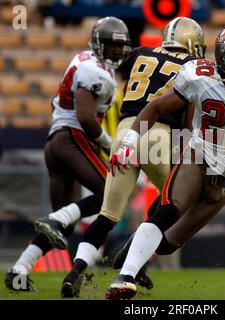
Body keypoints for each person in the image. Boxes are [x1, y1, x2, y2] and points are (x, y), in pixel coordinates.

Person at [105, 24, 225, 300]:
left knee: (168, 244)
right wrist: (128, 143)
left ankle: (134, 247)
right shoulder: (200, 76)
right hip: (199, 156)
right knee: (167, 211)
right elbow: (156, 107)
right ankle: (124, 279)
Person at [57, 17, 206, 298]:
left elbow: (118, 77)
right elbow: (187, 119)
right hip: (158, 134)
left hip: (126, 130)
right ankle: (132, 262)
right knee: (174, 203)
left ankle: (75, 272)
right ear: (192, 43)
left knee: (108, 214)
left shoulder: (139, 54)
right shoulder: (193, 66)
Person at [4, 17, 131, 292]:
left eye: (120, 47)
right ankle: (57, 218)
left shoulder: (84, 60)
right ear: (98, 44)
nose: (116, 51)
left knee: (64, 226)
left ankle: (18, 271)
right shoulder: (94, 70)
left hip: (56, 141)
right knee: (108, 193)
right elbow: (86, 117)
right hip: (72, 138)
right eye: (111, 46)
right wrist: (109, 144)